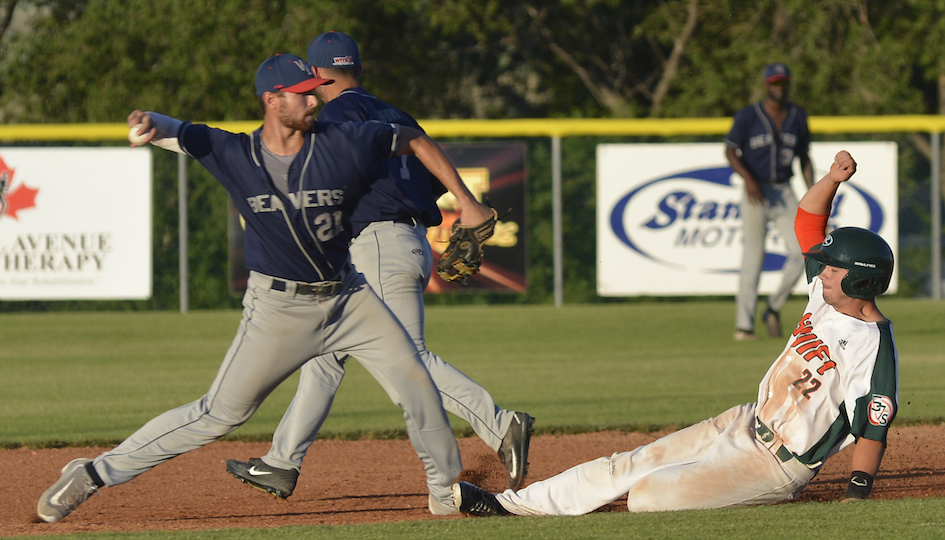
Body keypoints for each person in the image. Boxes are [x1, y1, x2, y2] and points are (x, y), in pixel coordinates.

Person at [36, 52, 493, 523]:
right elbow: (181, 131)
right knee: (218, 415)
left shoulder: (344, 141)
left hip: (349, 299)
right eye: (301, 93)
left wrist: (466, 201)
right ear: (272, 101)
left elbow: (413, 139)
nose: (314, 98)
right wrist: (150, 120)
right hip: (277, 310)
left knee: (417, 385)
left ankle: (444, 494)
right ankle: (92, 474)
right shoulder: (236, 154)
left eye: (315, 88)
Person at [452, 150, 898, 517]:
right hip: (744, 421)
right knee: (630, 465)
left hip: (777, 467)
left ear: (861, 281)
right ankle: (510, 506)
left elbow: (873, 430)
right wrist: (833, 179)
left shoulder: (873, 348)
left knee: (649, 497)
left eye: (833, 270)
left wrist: (856, 496)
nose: (821, 275)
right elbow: (807, 221)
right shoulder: (825, 297)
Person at [223, 32, 534, 509]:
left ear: (318, 77)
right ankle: (282, 461)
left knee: (407, 357)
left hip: (376, 246)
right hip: (403, 242)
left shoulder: (329, 116)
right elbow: (426, 178)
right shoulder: (396, 115)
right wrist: (466, 206)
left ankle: (499, 423)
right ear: (359, 69)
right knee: (326, 355)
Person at [725, 62, 814, 341]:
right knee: (753, 258)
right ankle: (744, 327)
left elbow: (804, 156)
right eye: (774, 82)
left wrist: (813, 192)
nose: (779, 87)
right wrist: (748, 179)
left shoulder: (797, 115)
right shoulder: (749, 116)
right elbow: (730, 150)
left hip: (784, 190)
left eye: (783, 82)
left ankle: (773, 307)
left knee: (804, 252)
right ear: (766, 85)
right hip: (757, 190)